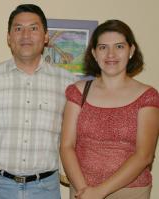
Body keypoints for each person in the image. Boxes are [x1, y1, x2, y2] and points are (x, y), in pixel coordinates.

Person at [0, 4, 77, 199]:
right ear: (9, 37)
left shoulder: (67, 82)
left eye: (34, 28)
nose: (26, 35)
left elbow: (74, 137)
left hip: (45, 188)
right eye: (18, 28)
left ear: (46, 36)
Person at [60, 19, 159, 199]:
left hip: (131, 192)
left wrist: (100, 192)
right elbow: (66, 146)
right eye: (103, 47)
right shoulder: (77, 92)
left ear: (132, 50)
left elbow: (144, 155)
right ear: (94, 53)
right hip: (83, 191)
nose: (110, 54)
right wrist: (85, 191)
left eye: (119, 46)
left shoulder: (147, 96)